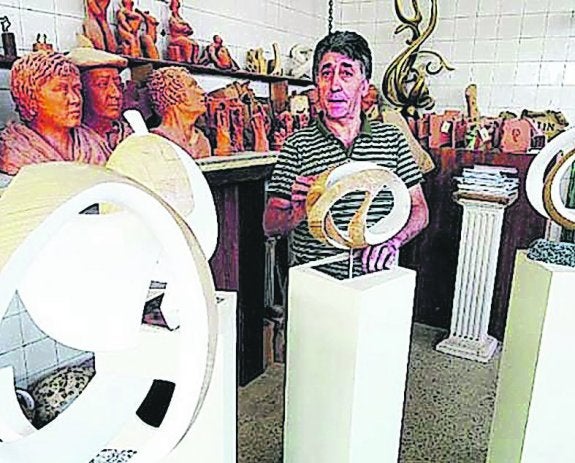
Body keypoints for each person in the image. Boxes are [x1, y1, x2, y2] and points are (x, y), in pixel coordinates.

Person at [263, 31, 429, 274]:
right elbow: (270, 225)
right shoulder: (297, 145)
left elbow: (419, 209)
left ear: (364, 86)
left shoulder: (392, 139)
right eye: (326, 73)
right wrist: (299, 212)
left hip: (376, 276)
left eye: (346, 73)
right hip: (315, 279)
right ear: (317, 85)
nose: (334, 85)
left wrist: (394, 241)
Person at [0, 51, 110, 175]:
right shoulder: (13, 151)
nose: (75, 99)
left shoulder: (95, 144)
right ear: (30, 98)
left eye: (77, 89)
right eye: (61, 89)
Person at [68, 45, 132, 151]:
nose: (116, 94)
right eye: (102, 84)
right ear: (80, 89)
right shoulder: (74, 144)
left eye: (118, 84)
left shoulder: (130, 135)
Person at [147, 66, 211, 159]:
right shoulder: (156, 140)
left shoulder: (202, 141)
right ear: (171, 93)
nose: (202, 92)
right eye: (193, 85)